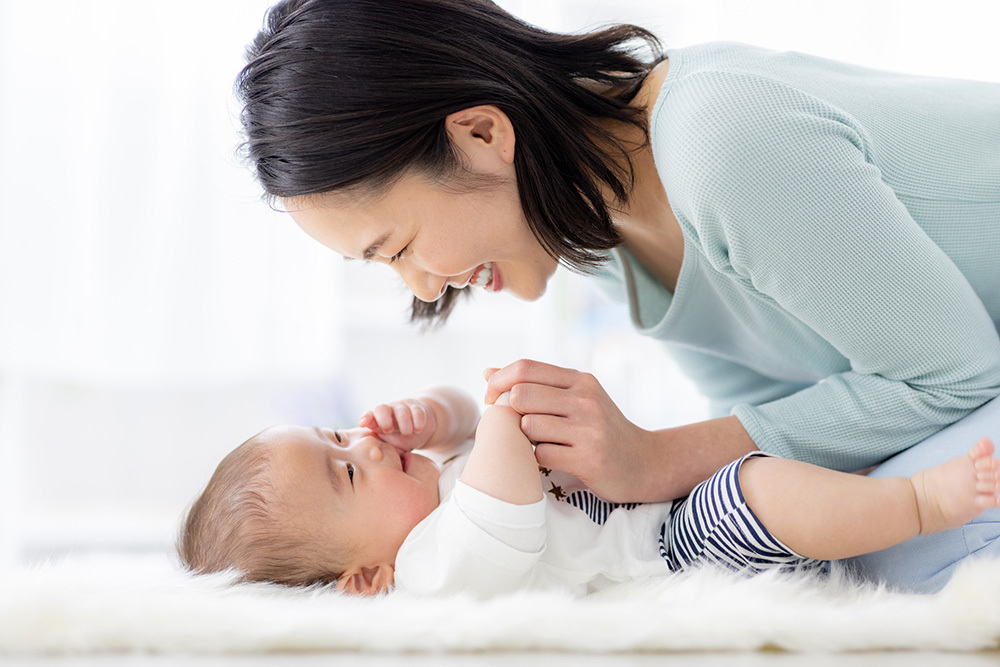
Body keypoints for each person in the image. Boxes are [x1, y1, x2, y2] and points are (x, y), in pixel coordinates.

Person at [235, 0, 1000, 590]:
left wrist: (656, 459)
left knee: (902, 547)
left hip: (971, 369)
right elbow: (795, 414)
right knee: (820, 535)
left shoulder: (721, 144)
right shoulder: (601, 236)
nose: (424, 285)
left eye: (398, 247)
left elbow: (955, 376)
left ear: (479, 134)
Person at [179, 386, 1000, 597]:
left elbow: (466, 429)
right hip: (672, 550)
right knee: (758, 491)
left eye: (336, 434)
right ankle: (926, 503)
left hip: (660, 502)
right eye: (347, 469)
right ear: (363, 576)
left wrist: (439, 412)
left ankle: (851, 498)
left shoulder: (431, 495)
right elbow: (504, 491)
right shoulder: (432, 568)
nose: (364, 439)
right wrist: (499, 408)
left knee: (768, 475)